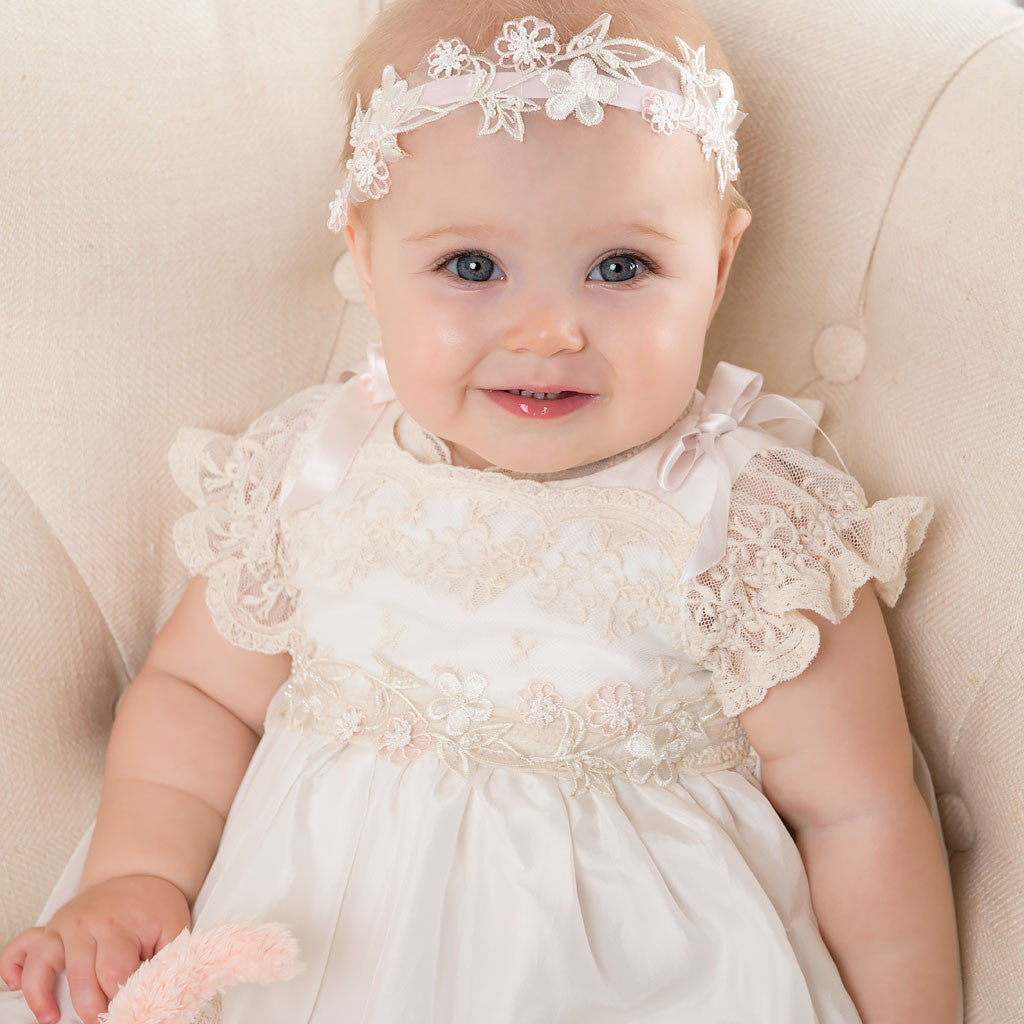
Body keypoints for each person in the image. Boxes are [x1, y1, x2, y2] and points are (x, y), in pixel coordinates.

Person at [0, 1, 962, 1021]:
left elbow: (858, 812)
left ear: (716, 265)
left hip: (633, 979)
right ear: (367, 259)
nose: (547, 330)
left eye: (621, 267)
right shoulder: (317, 468)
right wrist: (136, 872)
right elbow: (199, 694)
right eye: (471, 267)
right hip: (313, 952)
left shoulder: (742, 518)